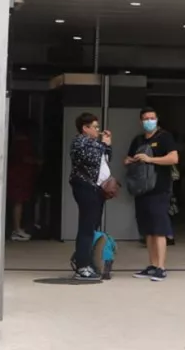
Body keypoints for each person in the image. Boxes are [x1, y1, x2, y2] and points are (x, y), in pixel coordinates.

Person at [124, 107, 179, 281]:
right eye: (146, 118)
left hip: (159, 189)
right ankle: (152, 265)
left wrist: (150, 159)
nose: (149, 121)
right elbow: (126, 159)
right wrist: (131, 160)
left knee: (159, 229)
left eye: (152, 118)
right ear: (141, 121)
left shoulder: (164, 137)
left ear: (157, 119)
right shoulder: (138, 140)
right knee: (148, 230)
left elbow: (173, 158)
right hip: (142, 190)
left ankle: (161, 267)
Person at [68, 112, 112, 282]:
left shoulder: (94, 143)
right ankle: (81, 266)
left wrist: (107, 146)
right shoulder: (80, 141)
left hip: (96, 189)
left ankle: (85, 259)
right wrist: (104, 144)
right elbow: (92, 159)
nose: (97, 130)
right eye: (94, 127)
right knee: (86, 227)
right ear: (85, 128)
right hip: (85, 188)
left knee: (92, 225)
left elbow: (106, 158)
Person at [7, 120, 41, 242]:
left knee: (18, 202)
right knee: (18, 202)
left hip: (18, 175)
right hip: (19, 176)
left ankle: (17, 228)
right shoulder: (23, 143)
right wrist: (37, 162)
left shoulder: (15, 142)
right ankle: (17, 229)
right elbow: (24, 158)